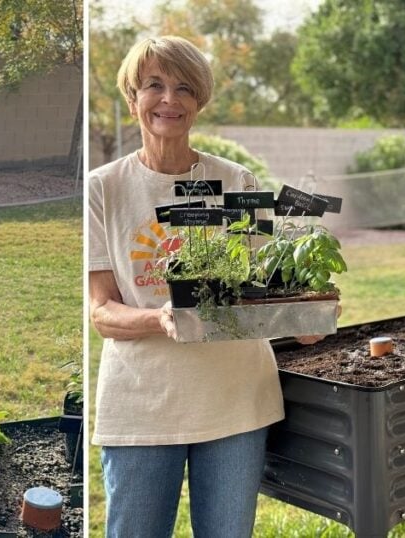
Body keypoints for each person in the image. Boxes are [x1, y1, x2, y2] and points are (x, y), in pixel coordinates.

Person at [88, 36, 323, 537]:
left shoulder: (236, 181)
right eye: (155, 85)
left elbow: (267, 285)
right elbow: (102, 312)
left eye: (184, 88)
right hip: (142, 405)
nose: (169, 99)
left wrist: (304, 315)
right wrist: (159, 317)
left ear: (199, 103)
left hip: (235, 401)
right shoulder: (103, 188)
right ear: (133, 97)